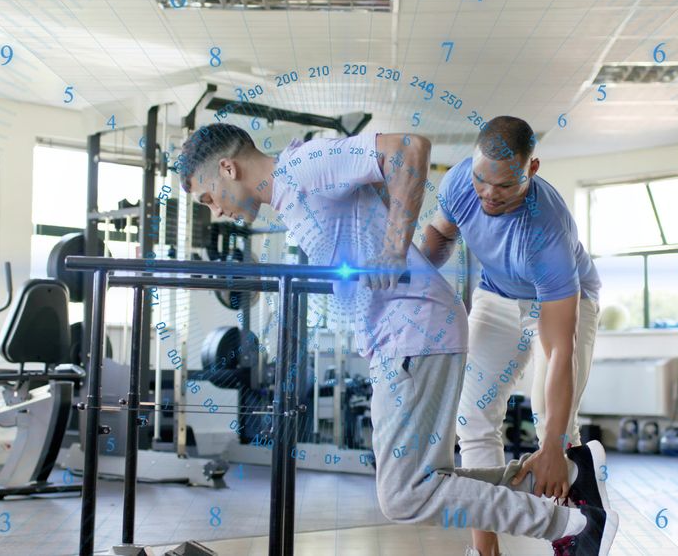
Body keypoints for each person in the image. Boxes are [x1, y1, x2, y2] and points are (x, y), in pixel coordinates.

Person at [176, 123, 617, 554]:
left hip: (416, 335)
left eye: (207, 196)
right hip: (409, 333)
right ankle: (566, 487)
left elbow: (409, 149)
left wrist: (393, 249)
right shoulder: (295, 193)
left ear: (228, 169)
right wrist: (404, 267)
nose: (215, 209)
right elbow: (419, 225)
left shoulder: (303, 165)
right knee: (430, 475)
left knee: (404, 494)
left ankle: (572, 525)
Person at [420, 116, 610, 556]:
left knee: (554, 423)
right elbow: (442, 235)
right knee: (472, 417)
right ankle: (485, 551)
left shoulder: (546, 231)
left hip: (564, 300)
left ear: (533, 169)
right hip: (498, 294)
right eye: (480, 179)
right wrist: (409, 270)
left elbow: (561, 349)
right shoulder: (460, 185)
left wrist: (551, 447)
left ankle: (577, 526)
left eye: (504, 186)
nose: (487, 193)